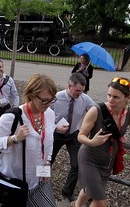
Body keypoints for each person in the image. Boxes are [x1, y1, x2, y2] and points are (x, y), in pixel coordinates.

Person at [71, 77, 130, 207]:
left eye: (116, 97)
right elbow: (81, 136)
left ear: (128, 98)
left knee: (90, 192)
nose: (110, 100)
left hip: (107, 163)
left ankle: (76, 205)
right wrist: (92, 142)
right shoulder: (96, 110)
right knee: (101, 201)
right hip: (89, 159)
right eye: (109, 95)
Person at [0, 74, 58, 206]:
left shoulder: (49, 114)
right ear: (31, 95)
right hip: (13, 183)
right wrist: (14, 138)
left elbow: (49, 140)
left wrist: (47, 162)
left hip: (38, 181)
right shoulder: (12, 117)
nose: (49, 104)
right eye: (44, 100)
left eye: (52, 100)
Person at [50, 73, 94, 202]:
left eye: (82, 91)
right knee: (46, 161)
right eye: (77, 91)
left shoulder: (85, 99)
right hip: (55, 134)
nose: (80, 93)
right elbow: (43, 119)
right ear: (69, 86)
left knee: (78, 164)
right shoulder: (56, 98)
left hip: (73, 134)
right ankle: (41, 186)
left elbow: (95, 111)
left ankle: (67, 191)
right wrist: (55, 127)